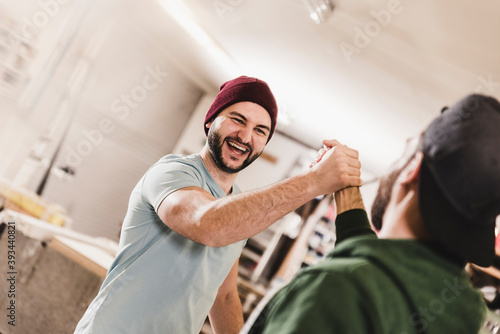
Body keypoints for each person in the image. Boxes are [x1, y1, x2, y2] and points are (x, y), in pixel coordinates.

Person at [74, 76, 363, 334]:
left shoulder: (235, 206)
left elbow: (223, 295)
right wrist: (312, 182)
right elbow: (207, 224)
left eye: (261, 130)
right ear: (211, 120)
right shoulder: (172, 172)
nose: (246, 137)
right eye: (238, 119)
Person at [248, 93, 500, 333]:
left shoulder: (335, 291)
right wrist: (346, 189)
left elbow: (367, 283)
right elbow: (386, 277)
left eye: (407, 150)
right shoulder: (463, 312)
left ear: (413, 167)